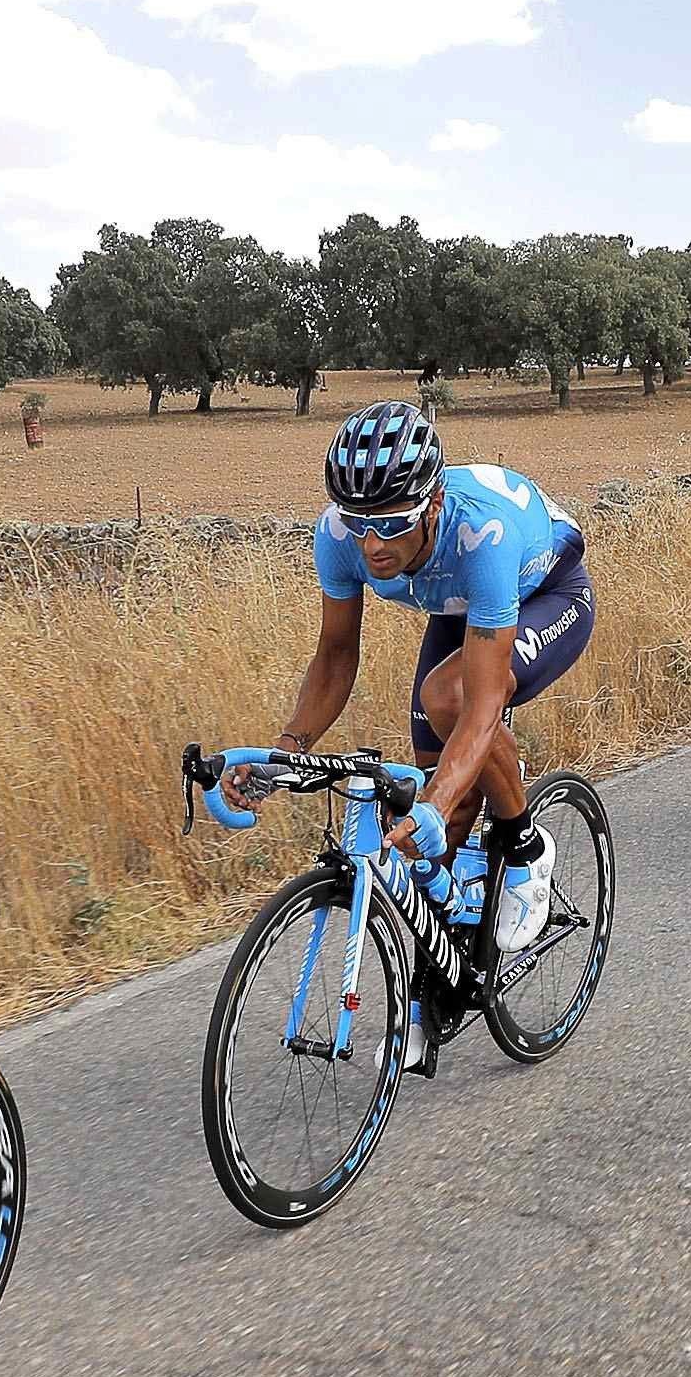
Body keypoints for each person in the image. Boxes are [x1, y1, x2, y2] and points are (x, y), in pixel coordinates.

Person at [244, 399, 592, 961]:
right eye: (359, 523)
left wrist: (437, 799)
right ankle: (443, 984)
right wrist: (284, 753)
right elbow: (335, 656)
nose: (372, 545)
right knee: (430, 825)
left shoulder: (483, 534)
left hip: (545, 594)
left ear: (433, 505)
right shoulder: (336, 536)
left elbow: (481, 704)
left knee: (449, 700)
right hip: (461, 606)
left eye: (389, 524)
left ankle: (524, 849)